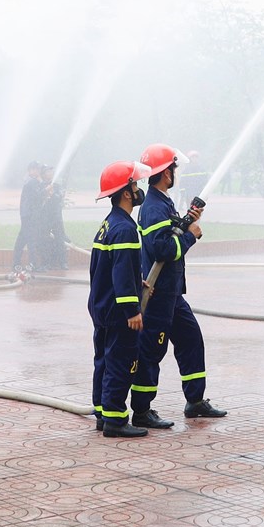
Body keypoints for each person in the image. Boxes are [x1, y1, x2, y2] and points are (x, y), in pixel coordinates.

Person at [129, 143, 226, 426]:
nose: (175, 172)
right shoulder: (153, 208)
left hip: (172, 293)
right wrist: (191, 236)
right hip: (158, 294)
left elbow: (169, 235)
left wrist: (186, 223)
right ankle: (142, 410)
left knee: (191, 339)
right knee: (151, 351)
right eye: (173, 168)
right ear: (166, 173)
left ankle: (195, 401)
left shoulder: (163, 203)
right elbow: (162, 249)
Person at [89, 160, 150, 439]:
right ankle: (115, 419)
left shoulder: (108, 224)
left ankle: (103, 413)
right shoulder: (125, 228)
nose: (139, 190)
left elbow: (108, 268)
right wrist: (132, 309)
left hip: (102, 307)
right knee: (119, 362)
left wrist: (136, 282)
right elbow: (122, 272)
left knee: (103, 360)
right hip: (118, 311)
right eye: (135, 185)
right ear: (126, 193)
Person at [12, 162, 45, 276]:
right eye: (35, 169)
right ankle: (33, 264)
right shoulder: (32, 182)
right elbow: (37, 197)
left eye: (38, 169)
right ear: (30, 170)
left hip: (26, 214)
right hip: (30, 215)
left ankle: (16, 263)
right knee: (31, 239)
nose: (38, 171)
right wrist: (46, 190)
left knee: (22, 239)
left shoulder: (29, 181)